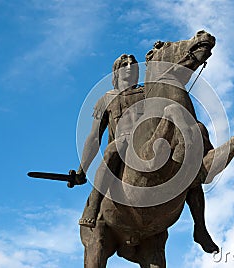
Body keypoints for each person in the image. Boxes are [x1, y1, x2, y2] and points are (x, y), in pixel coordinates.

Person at [76, 54, 219, 253]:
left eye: (133, 64)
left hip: (150, 145)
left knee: (185, 168)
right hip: (122, 146)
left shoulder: (147, 93)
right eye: (124, 64)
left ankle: (200, 227)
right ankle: (94, 206)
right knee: (111, 150)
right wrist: (81, 170)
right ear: (116, 72)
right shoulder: (105, 99)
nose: (129, 66)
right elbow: (93, 138)